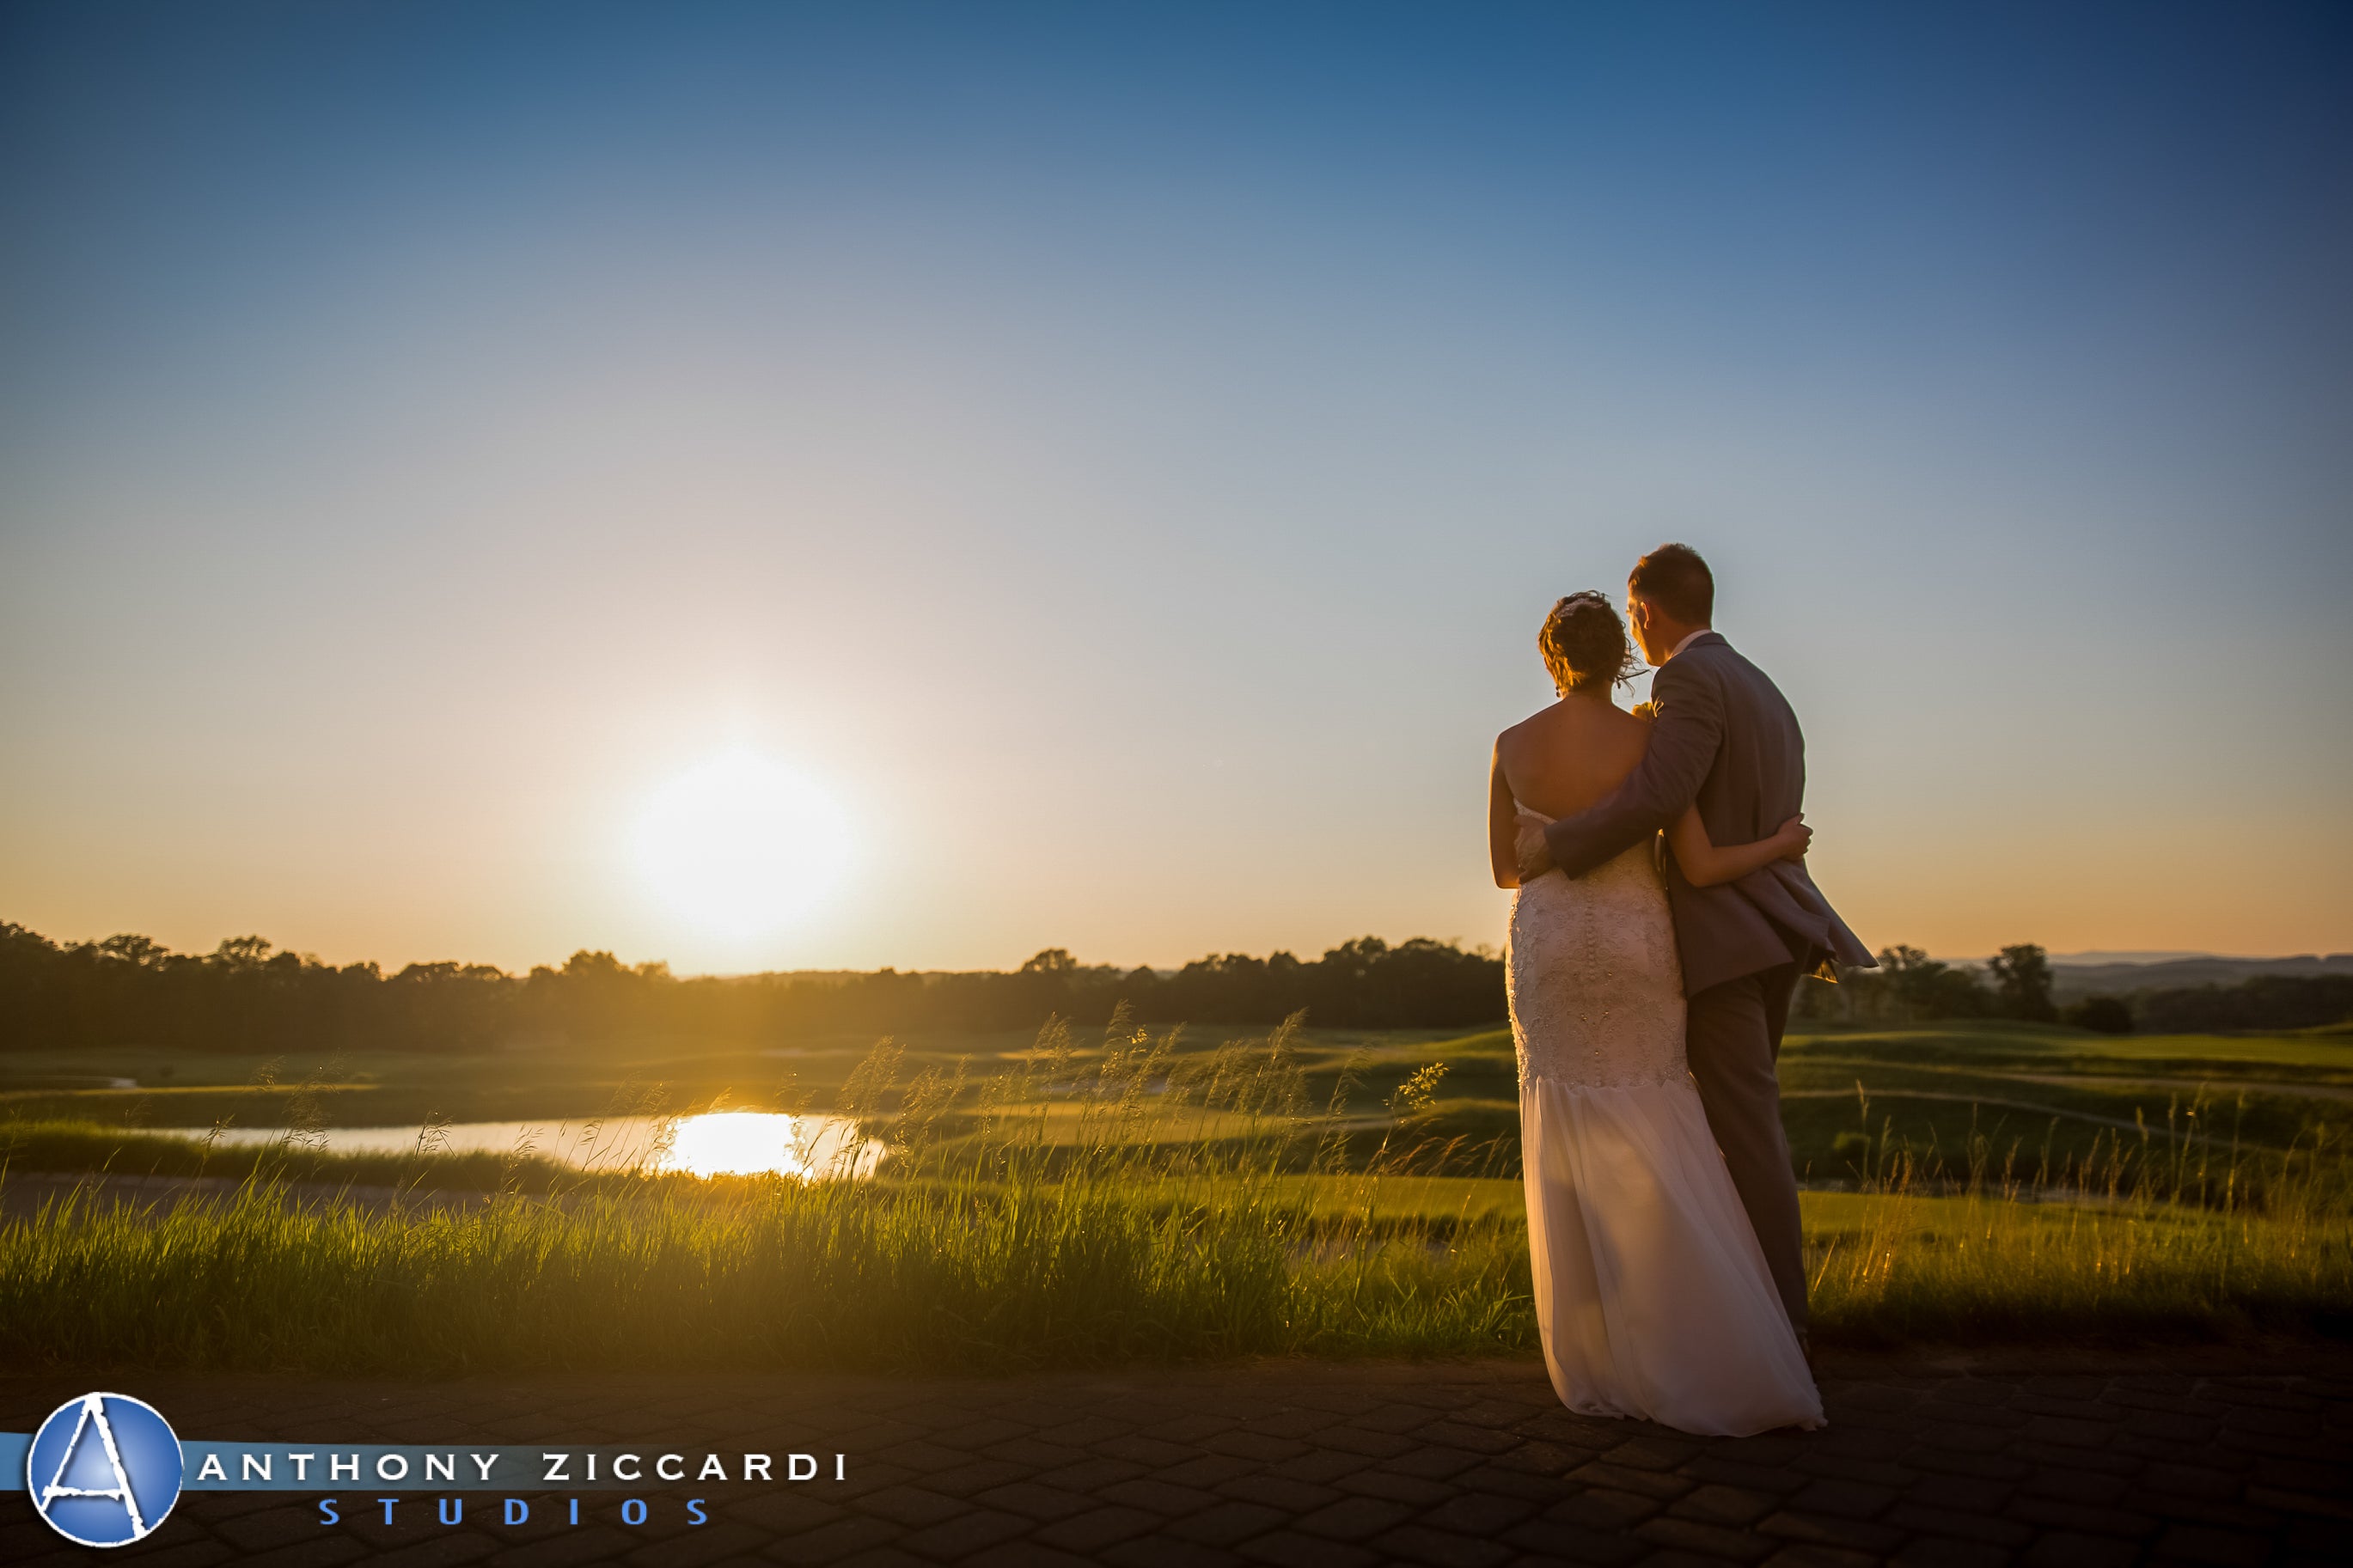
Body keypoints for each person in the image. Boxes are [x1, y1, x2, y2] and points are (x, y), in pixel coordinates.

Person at [1511, 544, 1872, 1363]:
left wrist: (1560, 843)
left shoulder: (1688, 682)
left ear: (1645, 612)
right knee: (1733, 1130)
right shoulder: (1765, 687)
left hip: (1725, 939)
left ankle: (1779, 1325)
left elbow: (1661, 794)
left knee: (1744, 1135)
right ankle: (1733, 1307)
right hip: (1773, 927)